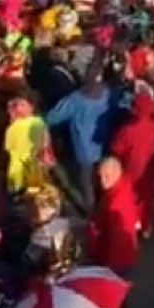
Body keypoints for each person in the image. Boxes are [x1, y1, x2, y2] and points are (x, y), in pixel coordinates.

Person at [45, 67, 114, 217]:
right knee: (105, 183)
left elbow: (52, 117)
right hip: (104, 147)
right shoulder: (109, 94)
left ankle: (92, 215)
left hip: (84, 151)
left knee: (87, 186)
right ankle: (107, 212)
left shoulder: (76, 99)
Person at [110, 83, 154, 235]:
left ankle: (132, 225)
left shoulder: (127, 129)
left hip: (131, 169)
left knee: (131, 199)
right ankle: (146, 227)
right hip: (150, 169)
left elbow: (116, 148)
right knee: (147, 199)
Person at [87, 156, 142, 276]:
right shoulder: (123, 183)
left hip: (115, 260)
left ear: (117, 173)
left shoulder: (115, 205)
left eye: (107, 176)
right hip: (123, 255)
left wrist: (109, 270)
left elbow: (117, 243)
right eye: (100, 176)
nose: (102, 181)